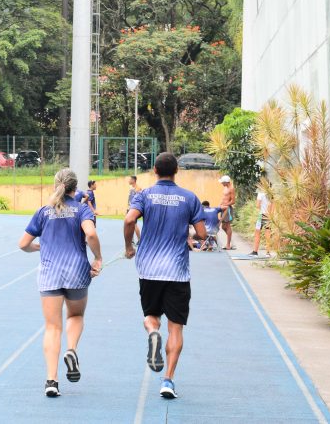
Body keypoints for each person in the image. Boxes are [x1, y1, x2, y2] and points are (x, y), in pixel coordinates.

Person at [124, 152, 206, 399]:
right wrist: (189, 233)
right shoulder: (190, 198)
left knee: (150, 316)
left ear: (155, 171)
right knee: (176, 328)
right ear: (176, 171)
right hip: (177, 272)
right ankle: (168, 380)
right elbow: (202, 234)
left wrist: (129, 246)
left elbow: (129, 220)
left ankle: (152, 334)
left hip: (148, 269)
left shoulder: (144, 195)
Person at [18, 168, 103, 398]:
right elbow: (91, 235)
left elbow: (23, 243)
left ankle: (52, 381)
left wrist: (39, 246)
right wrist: (98, 258)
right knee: (75, 316)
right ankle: (72, 350)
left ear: (56, 185)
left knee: (52, 327)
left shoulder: (44, 211)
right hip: (76, 272)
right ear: (75, 187)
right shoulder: (82, 208)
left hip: (49, 274)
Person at [250, 188, 272, 257]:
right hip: (269, 215)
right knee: (268, 234)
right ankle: (268, 253)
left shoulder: (260, 193)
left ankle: (255, 252)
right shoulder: (271, 193)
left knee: (257, 233)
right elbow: (273, 205)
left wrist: (261, 209)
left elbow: (257, 205)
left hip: (262, 215)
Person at [218, 175, 236, 250]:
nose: (222, 183)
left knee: (227, 226)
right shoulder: (225, 188)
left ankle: (228, 245)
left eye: (223, 182)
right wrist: (220, 205)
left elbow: (233, 201)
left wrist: (225, 205)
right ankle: (231, 242)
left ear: (226, 182)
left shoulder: (231, 188)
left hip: (227, 209)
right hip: (223, 208)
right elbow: (223, 198)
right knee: (223, 227)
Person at [127, 175, 142, 242]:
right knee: (129, 224)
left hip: (134, 209)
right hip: (129, 208)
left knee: (134, 224)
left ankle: (139, 239)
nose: (129, 181)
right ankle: (131, 240)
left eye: (130, 179)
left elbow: (139, 199)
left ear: (133, 180)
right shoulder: (131, 188)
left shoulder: (138, 188)